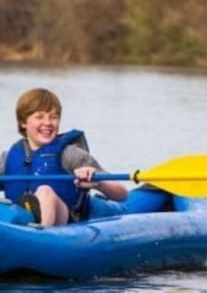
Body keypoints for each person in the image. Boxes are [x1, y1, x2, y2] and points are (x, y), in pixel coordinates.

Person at [0, 88, 128, 227]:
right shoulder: (8, 158)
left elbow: (122, 194)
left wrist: (97, 182)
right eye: (39, 117)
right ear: (24, 122)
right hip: (21, 219)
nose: (48, 123)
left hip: (66, 220)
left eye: (53, 117)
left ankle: (43, 234)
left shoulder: (70, 154)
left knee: (45, 191)